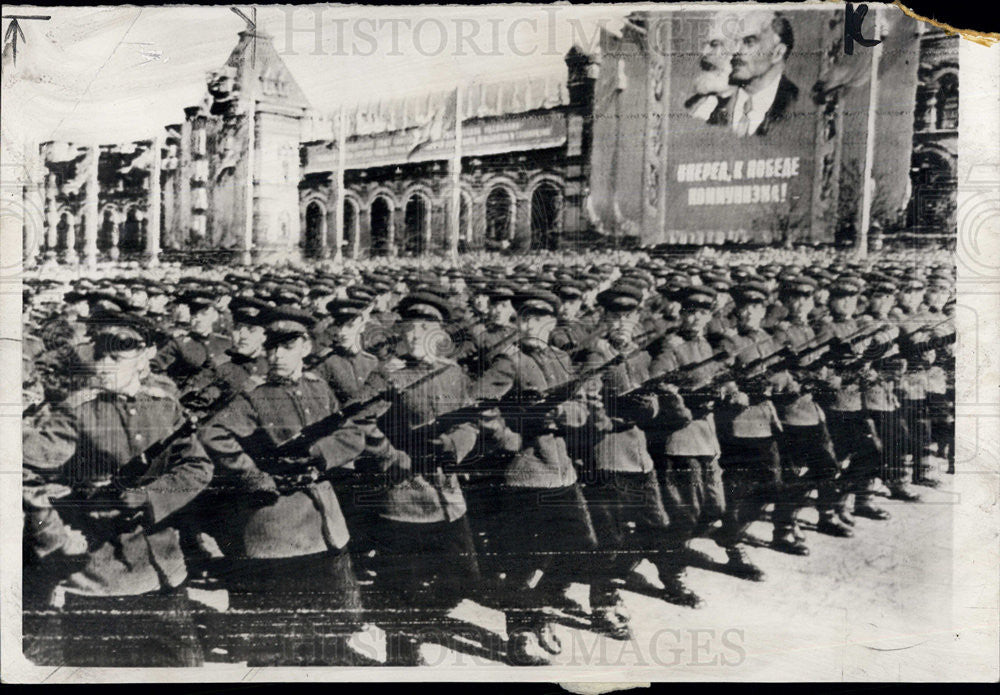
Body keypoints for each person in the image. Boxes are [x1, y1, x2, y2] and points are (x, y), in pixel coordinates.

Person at [23, 311, 213, 666]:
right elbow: (21, 471)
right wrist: (55, 536)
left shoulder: (163, 407)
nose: (105, 365)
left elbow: (197, 466)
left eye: (117, 356)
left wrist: (152, 497)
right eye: (101, 355)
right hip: (98, 580)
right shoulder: (75, 414)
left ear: (145, 357)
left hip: (163, 575)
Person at [198, 306, 370, 665]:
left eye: (287, 346)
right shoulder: (254, 395)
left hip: (323, 520)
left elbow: (352, 433)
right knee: (277, 637)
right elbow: (212, 434)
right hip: (277, 523)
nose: (277, 355)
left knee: (332, 629)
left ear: (305, 348)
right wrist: (254, 475)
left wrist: (319, 454)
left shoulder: (318, 387)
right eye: (272, 347)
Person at [358, 290, 518, 665]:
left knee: (463, 577)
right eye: (410, 328)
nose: (415, 336)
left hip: (447, 495)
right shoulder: (385, 375)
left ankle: (419, 622)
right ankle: (402, 651)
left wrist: (454, 446)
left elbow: (468, 421)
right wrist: (392, 456)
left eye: (425, 329)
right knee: (403, 582)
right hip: (404, 496)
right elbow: (358, 425)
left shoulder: (451, 372)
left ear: (439, 334)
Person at [474, 288, 604, 664]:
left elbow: (580, 409)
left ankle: (540, 609)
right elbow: (480, 404)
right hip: (525, 472)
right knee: (521, 555)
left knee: (580, 547)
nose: (530, 325)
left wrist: (564, 416)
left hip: (560, 468)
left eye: (539, 319)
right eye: (524, 318)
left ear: (552, 323)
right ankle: (520, 632)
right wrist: (509, 438)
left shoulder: (562, 359)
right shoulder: (508, 361)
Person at [708, 10, 799, 137]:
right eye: (734, 43)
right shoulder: (711, 108)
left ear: (777, 53)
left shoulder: (799, 106)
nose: (735, 51)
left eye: (749, 42)